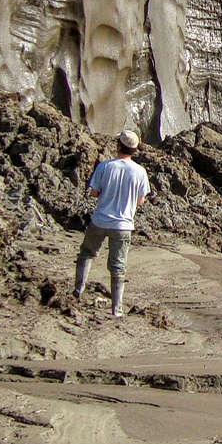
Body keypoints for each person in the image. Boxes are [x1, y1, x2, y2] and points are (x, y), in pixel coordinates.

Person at [72, 129, 150, 317]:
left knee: (87, 254)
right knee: (118, 266)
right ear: (134, 149)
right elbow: (141, 200)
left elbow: (93, 192)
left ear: (118, 146)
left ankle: (77, 292)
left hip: (100, 220)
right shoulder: (140, 171)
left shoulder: (105, 166)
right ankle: (117, 309)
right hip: (123, 225)